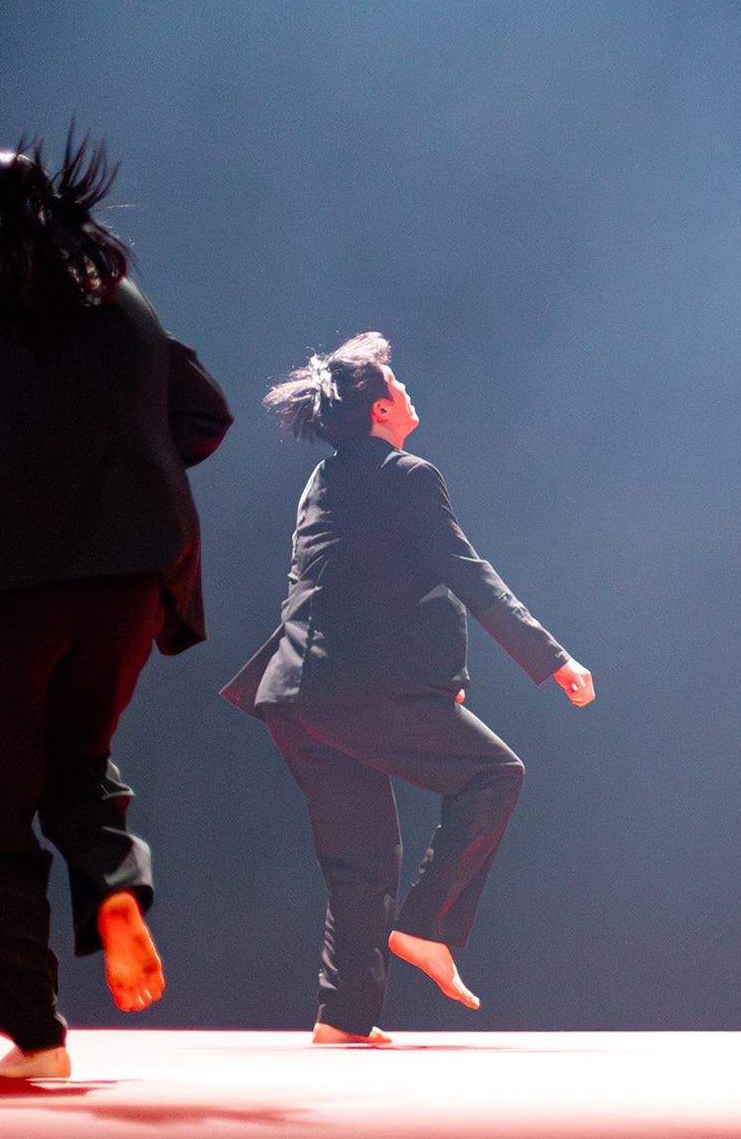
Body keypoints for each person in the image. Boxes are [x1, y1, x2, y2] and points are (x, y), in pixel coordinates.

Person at [0, 133, 231, 1081]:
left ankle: (36, 1037)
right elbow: (204, 412)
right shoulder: (122, 297)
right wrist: (110, 467)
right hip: (137, 575)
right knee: (78, 763)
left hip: (13, 579)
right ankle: (113, 888)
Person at [222, 333, 595, 1046]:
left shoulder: (326, 480)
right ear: (381, 407)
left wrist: (436, 682)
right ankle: (426, 929)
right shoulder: (407, 475)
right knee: (493, 773)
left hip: (297, 693)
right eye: (397, 381)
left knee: (361, 860)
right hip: (351, 690)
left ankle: (343, 1019)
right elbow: (466, 574)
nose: (409, 389)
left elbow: (379, 594)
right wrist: (553, 660)